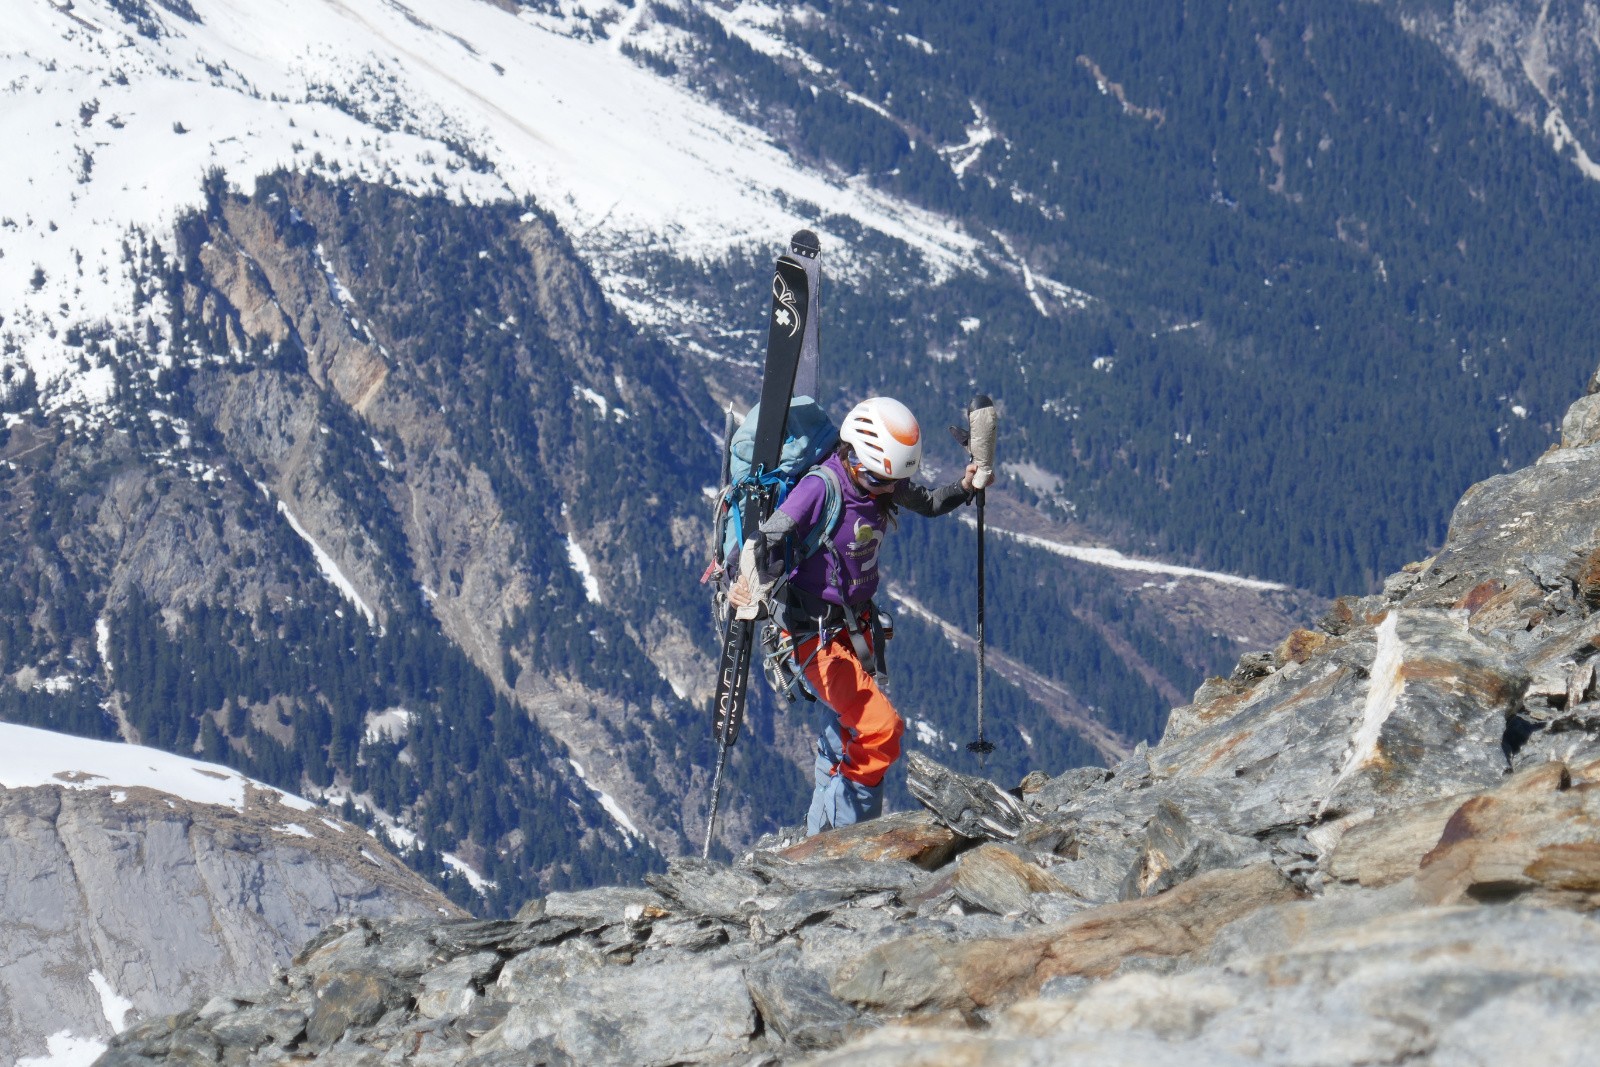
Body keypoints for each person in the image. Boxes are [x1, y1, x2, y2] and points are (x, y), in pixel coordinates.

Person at [729, 396, 979, 834]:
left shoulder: (877, 477)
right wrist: (744, 580)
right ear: (856, 458)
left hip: (849, 627)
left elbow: (932, 502)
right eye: (883, 480)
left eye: (896, 480)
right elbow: (763, 541)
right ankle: (847, 842)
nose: (892, 490)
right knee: (880, 732)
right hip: (812, 637)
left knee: (843, 734)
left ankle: (817, 840)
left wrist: (966, 486)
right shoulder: (820, 488)